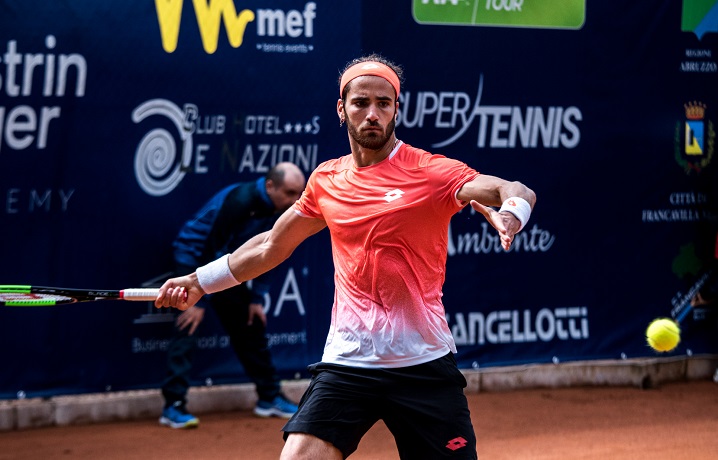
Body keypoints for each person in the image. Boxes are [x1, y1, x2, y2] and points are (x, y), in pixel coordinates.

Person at [155, 53, 536, 459]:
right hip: (349, 363)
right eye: (360, 103)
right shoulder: (326, 180)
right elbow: (271, 245)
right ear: (342, 109)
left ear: (396, 110)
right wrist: (198, 282)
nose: (372, 114)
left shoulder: (430, 171)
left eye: (383, 104)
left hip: (422, 363)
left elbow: (511, 188)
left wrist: (511, 213)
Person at [159, 162, 307, 429]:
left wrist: (255, 299)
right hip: (194, 258)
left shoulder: (283, 210)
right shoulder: (241, 200)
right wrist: (199, 297)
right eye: (289, 193)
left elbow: (270, 253)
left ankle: (269, 397)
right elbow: (211, 246)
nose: (295, 200)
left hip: (225, 264)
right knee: (188, 325)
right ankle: (173, 406)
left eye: (299, 193)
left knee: (250, 325)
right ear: (270, 186)